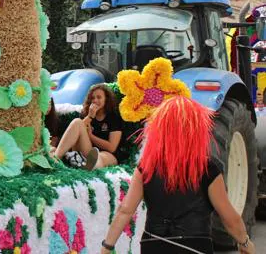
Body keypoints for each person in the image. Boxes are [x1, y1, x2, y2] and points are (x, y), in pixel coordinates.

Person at [100, 96, 256, 254]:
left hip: (153, 243)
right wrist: (244, 242)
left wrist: (107, 246)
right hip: (194, 246)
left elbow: (125, 210)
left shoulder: (146, 167)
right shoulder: (207, 169)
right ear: (196, 129)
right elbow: (229, 217)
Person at [52, 84, 123, 170]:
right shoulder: (86, 114)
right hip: (87, 150)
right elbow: (76, 130)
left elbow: (112, 148)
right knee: (77, 122)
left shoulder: (113, 117)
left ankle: (89, 165)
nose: (95, 100)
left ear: (106, 99)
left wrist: (91, 136)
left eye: (99, 97)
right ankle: (55, 159)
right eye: (92, 98)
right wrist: (90, 116)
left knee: (100, 156)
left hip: (107, 154)